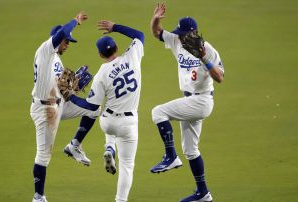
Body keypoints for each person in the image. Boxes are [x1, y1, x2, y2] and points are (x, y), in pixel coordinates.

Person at [149, 3, 224, 202]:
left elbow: (220, 77)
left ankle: (170, 156)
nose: (180, 37)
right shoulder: (176, 41)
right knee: (191, 151)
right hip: (189, 100)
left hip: (202, 100)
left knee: (158, 112)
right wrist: (156, 18)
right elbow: (157, 32)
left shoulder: (208, 49)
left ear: (194, 33)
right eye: (179, 34)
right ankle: (203, 193)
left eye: (184, 34)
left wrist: (204, 58)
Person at [64, 20, 144, 202]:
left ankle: (109, 146)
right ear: (116, 47)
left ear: (100, 54)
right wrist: (115, 27)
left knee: (105, 110)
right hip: (129, 124)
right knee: (127, 166)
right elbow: (140, 35)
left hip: (107, 122)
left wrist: (70, 95)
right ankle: (120, 200)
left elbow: (91, 107)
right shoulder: (132, 56)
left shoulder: (101, 74)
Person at [30, 12, 100, 202]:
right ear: (57, 40)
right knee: (43, 155)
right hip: (45, 110)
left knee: (94, 108)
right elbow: (62, 33)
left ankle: (74, 146)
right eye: (66, 41)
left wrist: (73, 86)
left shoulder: (57, 59)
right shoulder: (45, 51)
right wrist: (75, 22)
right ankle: (38, 197)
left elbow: (63, 87)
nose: (68, 44)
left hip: (60, 104)